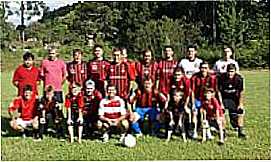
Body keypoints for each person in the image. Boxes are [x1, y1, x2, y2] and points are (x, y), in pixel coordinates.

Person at [190, 61, 221, 139]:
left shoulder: (212, 78)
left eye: (205, 68)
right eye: (202, 68)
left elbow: (214, 91)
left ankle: (209, 131)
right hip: (197, 99)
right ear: (199, 68)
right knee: (195, 112)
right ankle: (194, 131)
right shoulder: (195, 77)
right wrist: (193, 103)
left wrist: (211, 102)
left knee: (208, 114)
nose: (203, 70)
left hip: (207, 100)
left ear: (208, 69)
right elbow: (192, 91)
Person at [217, 63, 246, 138]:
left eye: (232, 71)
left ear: (235, 71)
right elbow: (219, 92)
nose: (230, 73)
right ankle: (223, 132)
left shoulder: (239, 79)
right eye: (229, 71)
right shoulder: (221, 78)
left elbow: (241, 92)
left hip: (234, 98)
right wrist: (221, 104)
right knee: (222, 112)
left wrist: (240, 104)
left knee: (240, 112)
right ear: (226, 71)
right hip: (224, 98)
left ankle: (240, 131)